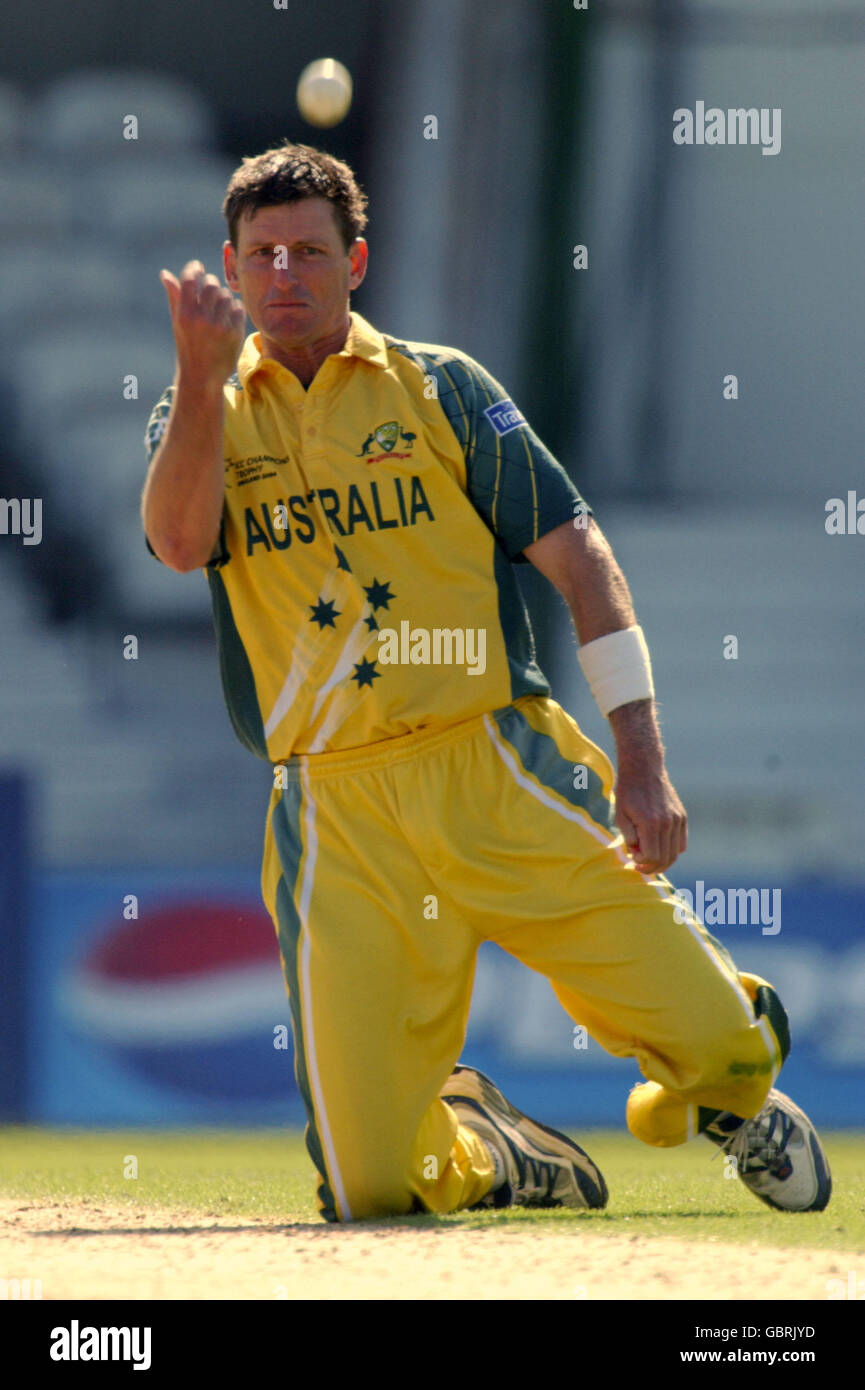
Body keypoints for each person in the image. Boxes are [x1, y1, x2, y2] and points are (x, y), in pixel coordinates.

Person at [141, 141, 830, 1223]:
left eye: (309, 252)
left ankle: (737, 1080)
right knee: (369, 1188)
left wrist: (643, 763)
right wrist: (191, 371)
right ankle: (493, 1147)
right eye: (261, 254)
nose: (285, 275)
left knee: (717, 1046)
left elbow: (580, 559)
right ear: (230, 268)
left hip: (496, 760)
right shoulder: (207, 410)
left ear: (356, 260)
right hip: (333, 806)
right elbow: (180, 545)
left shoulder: (441, 386)